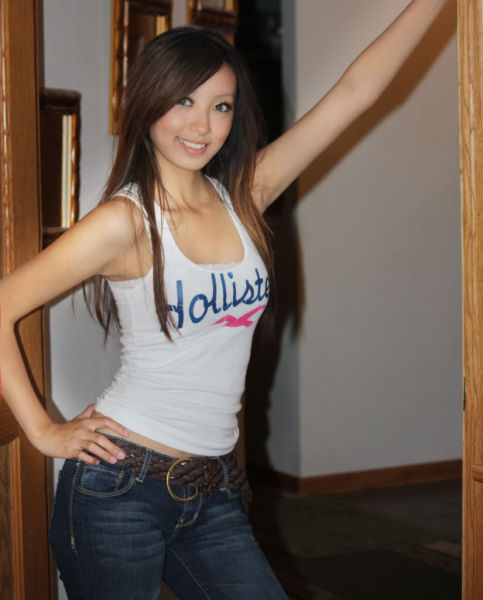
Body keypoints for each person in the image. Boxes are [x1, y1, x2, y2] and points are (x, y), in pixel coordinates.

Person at [0, 1, 449, 598]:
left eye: (221, 106)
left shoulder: (244, 195)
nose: (201, 125)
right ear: (149, 103)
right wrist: (42, 430)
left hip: (211, 491)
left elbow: (355, 93)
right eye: (184, 100)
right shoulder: (125, 222)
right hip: (119, 490)